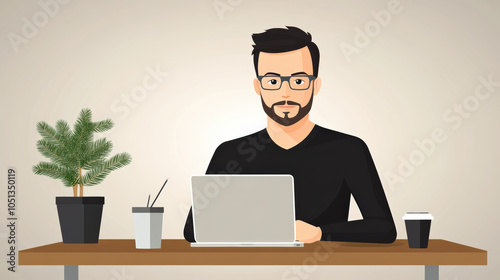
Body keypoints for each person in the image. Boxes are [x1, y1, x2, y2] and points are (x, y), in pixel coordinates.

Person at [183, 26, 397, 243]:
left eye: (298, 81)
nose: (285, 93)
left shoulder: (349, 149)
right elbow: (194, 230)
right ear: (258, 87)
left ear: (315, 85)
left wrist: (319, 233)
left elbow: (384, 228)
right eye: (273, 81)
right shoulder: (230, 153)